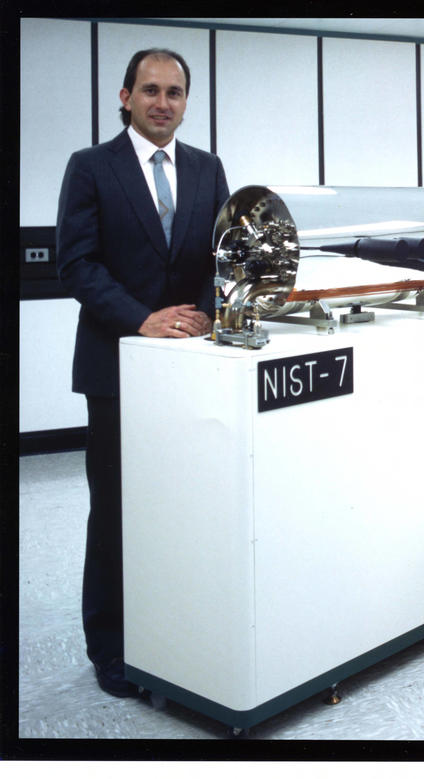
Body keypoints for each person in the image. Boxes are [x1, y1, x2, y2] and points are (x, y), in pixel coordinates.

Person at [56, 48, 230, 696]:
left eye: (175, 92)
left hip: (192, 369)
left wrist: (209, 316)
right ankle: (110, 644)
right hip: (117, 366)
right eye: (151, 90)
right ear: (125, 97)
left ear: (187, 101)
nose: (164, 102)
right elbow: (76, 263)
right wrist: (142, 318)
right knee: (116, 508)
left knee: (182, 503)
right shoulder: (91, 168)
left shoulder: (208, 169)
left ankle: (176, 628)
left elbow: (222, 258)